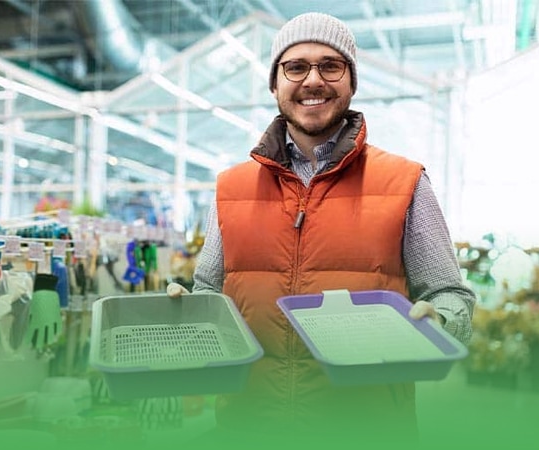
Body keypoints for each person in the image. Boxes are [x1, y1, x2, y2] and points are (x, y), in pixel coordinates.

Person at [166, 11, 476, 448]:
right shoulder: (232, 188)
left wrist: (437, 321)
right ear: (275, 84)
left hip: (366, 430)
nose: (313, 80)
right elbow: (209, 293)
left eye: (331, 65)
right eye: (296, 67)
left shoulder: (403, 183)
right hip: (250, 427)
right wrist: (186, 313)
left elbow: (450, 294)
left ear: (351, 82)